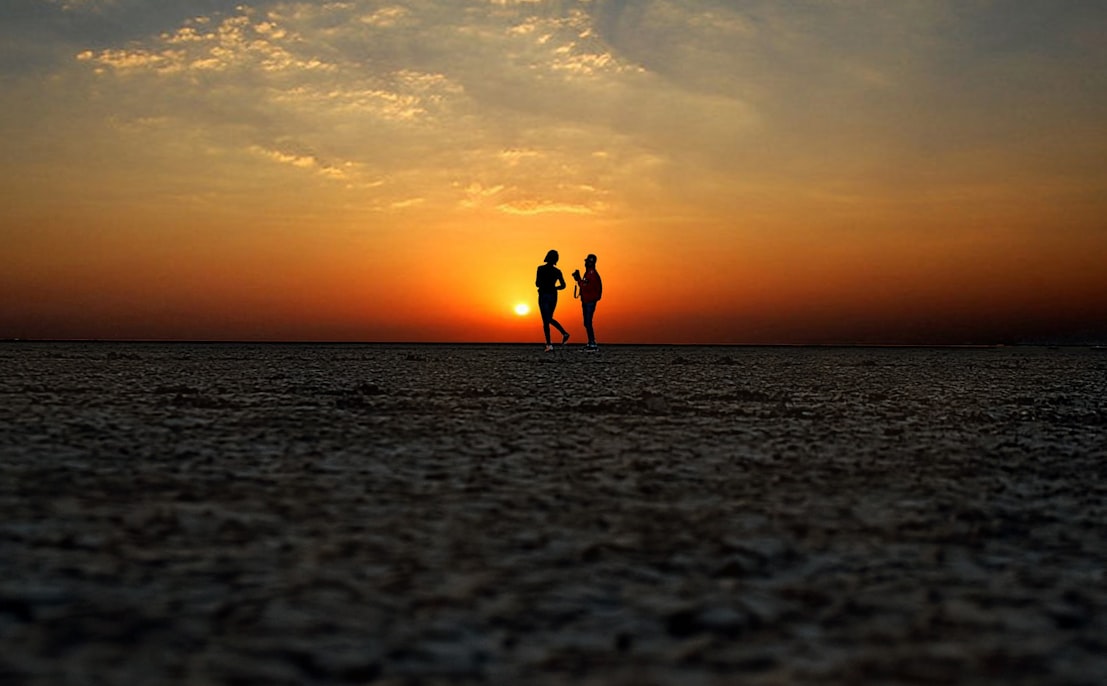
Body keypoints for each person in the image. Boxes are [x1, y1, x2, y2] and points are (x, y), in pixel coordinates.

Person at [535, 249, 570, 352]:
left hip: (544, 295)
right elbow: (563, 285)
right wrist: (555, 288)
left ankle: (549, 344)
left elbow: (537, 283)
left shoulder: (540, 269)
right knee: (549, 318)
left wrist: (544, 285)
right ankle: (563, 334)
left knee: (546, 320)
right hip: (553, 295)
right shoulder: (557, 271)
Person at [572, 253, 602, 351]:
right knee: (587, 322)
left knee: (588, 322)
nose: (585, 263)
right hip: (587, 300)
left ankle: (592, 343)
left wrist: (578, 280)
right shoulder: (589, 273)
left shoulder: (591, 274)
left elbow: (586, 286)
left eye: (587, 262)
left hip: (589, 301)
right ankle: (591, 342)